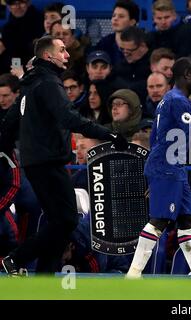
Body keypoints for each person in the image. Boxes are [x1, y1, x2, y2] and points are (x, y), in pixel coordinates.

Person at [0, 35, 128, 275]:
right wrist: (107, 134)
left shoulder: (30, 84)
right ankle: (16, 258)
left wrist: (4, 147)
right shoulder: (48, 82)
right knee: (67, 220)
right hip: (48, 162)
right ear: (48, 55)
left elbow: (10, 121)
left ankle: (44, 277)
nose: (67, 55)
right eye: (62, 50)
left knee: (58, 223)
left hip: (36, 163)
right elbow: (68, 117)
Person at [126, 57, 191, 280]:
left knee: (187, 222)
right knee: (160, 221)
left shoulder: (167, 100)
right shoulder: (178, 100)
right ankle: (133, 274)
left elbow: (155, 137)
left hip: (173, 169)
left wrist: (154, 175)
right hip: (167, 169)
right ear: (186, 75)